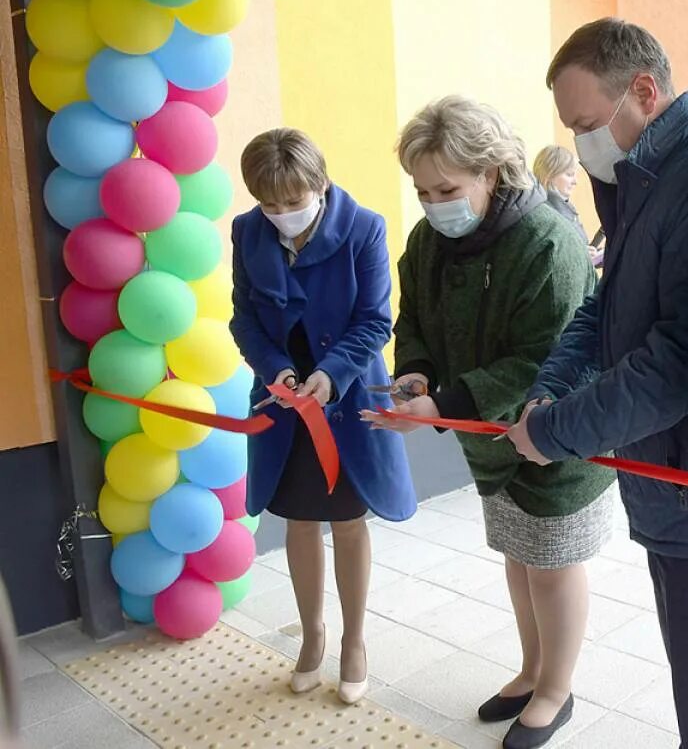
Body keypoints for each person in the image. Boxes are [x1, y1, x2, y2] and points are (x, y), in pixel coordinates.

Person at [505, 18, 688, 749]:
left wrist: (556, 432)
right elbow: (607, 307)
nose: (580, 143)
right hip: (677, 480)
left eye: (586, 123)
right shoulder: (649, 180)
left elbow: (685, 360)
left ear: (643, 91)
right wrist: (552, 389)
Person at [365, 96, 615, 749]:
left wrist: (443, 407)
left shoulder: (549, 242)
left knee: (553, 563)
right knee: (518, 551)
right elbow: (413, 317)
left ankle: (556, 689)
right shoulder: (428, 239)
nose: (432, 202)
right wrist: (415, 373)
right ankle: (531, 669)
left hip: (556, 435)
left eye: (446, 188)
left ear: (493, 172)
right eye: (421, 189)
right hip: (490, 441)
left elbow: (545, 355)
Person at [229, 128, 417, 704]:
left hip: (347, 393)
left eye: (294, 201)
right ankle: (312, 635)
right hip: (283, 398)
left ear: (321, 184)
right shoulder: (246, 231)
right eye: (270, 204)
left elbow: (374, 320)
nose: (282, 214)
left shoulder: (364, 228)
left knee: (348, 516)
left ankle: (355, 641)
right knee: (299, 517)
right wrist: (275, 370)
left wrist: (331, 374)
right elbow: (245, 319)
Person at [533, 145, 602, 269]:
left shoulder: (565, 209)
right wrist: (579, 256)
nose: (575, 182)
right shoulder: (544, 214)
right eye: (569, 175)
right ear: (549, 174)